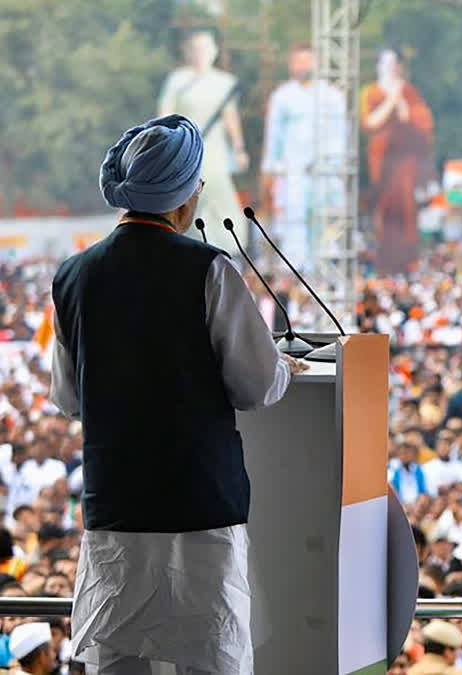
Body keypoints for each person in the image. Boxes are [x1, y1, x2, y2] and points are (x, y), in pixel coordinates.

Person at [51, 114, 307, 674]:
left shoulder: (72, 276)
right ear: (185, 197)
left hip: (116, 511)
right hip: (199, 511)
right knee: (210, 660)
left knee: (119, 662)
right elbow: (257, 387)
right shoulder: (209, 269)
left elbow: (68, 398)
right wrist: (285, 366)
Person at [158, 30, 249, 256]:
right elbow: (165, 115)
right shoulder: (177, 80)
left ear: (214, 52)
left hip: (215, 150)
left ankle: (230, 245)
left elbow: (230, 117)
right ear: (189, 53)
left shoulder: (224, 82)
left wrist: (239, 148)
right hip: (185, 146)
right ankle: (185, 241)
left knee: (218, 193)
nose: (201, 54)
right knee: (187, 195)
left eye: (206, 48)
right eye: (196, 49)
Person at [261, 43, 348, 270]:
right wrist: (270, 169)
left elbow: (341, 134)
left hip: (326, 170)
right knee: (294, 223)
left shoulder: (332, 95)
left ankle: (325, 269)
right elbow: (274, 136)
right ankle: (296, 270)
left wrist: (336, 165)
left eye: (307, 61)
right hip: (293, 171)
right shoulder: (282, 96)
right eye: (298, 62)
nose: (303, 66)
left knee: (325, 223)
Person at [360, 48, 435, 275]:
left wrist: (401, 100)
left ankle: (405, 263)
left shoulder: (410, 93)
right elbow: (370, 123)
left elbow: (420, 124)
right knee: (382, 213)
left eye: (395, 65)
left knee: (406, 213)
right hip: (380, 164)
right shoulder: (370, 92)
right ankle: (382, 262)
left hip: (405, 165)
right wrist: (391, 100)